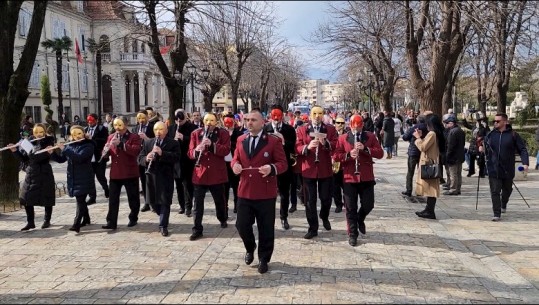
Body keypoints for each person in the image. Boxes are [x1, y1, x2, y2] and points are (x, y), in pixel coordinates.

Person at [231, 110, 288, 274]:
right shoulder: (241, 139)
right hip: (245, 191)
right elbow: (236, 158)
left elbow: (283, 163)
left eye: (253, 120)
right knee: (241, 225)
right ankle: (250, 247)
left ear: (263, 122)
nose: (249, 123)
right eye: (247, 119)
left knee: (265, 228)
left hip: (265, 192)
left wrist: (272, 168)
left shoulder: (272, 141)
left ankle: (264, 258)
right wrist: (234, 165)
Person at [333, 115, 383, 246]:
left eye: (359, 127)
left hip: (366, 176)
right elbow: (336, 156)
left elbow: (380, 153)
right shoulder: (343, 138)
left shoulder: (370, 136)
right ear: (350, 126)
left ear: (362, 126)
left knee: (368, 204)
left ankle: (360, 219)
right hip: (349, 177)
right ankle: (353, 234)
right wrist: (348, 155)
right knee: (350, 207)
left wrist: (366, 149)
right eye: (354, 127)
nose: (356, 129)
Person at [295, 105, 338, 239]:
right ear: (310, 114)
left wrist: (326, 143)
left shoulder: (330, 129)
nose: (317, 116)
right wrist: (306, 147)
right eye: (314, 113)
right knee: (310, 201)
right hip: (309, 169)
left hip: (325, 169)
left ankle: (324, 216)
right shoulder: (302, 129)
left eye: (320, 113)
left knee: (326, 198)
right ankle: (313, 228)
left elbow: (336, 144)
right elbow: (297, 146)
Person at [188, 113, 231, 241]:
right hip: (200, 174)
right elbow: (189, 153)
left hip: (216, 174)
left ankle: (222, 218)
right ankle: (197, 229)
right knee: (198, 204)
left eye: (211, 121)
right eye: (206, 121)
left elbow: (226, 150)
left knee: (219, 201)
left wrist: (212, 145)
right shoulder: (196, 134)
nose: (208, 124)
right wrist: (196, 150)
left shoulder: (223, 134)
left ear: (216, 122)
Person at [479, 113, 529, 221]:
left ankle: (504, 202)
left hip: (507, 169)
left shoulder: (513, 135)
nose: (495, 123)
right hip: (493, 168)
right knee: (495, 191)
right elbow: (484, 145)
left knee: (507, 190)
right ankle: (496, 213)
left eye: (498, 121)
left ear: (505, 122)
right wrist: (481, 147)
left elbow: (522, 149)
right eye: (494, 121)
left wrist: (525, 163)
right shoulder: (491, 134)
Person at [8, 123, 56, 231]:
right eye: (36, 132)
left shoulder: (49, 141)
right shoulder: (29, 141)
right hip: (31, 172)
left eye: (41, 132)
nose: (38, 134)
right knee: (26, 197)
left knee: (46, 196)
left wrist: (31, 151)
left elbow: (39, 157)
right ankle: (30, 222)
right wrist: (15, 151)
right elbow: (25, 159)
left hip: (44, 172)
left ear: (44, 131)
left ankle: (47, 220)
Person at [138, 122, 180, 236]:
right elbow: (140, 158)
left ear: (166, 131)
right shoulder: (148, 143)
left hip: (166, 177)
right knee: (153, 203)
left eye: (161, 129)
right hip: (151, 177)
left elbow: (176, 157)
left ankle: (163, 226)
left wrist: (162, 153)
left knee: (165, 202)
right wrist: (146, 158)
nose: (158, 132)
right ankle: (161, 215)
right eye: (156, 129)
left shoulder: (173, 143)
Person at [51, 125, 95, 233]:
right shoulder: (70, 146)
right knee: (80, 199)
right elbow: (61, 159)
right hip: (73, 177)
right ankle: (86, 218)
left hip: (84, 177)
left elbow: (79, 158)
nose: (77, 137)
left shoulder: (88, 146)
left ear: (83, 133)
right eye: (74, 134)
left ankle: (76, 224)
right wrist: (52, 153)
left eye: (79, 134)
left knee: (80, 200)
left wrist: (64, 149)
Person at [102, 116, 142, 230]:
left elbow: (135, 151)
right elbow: (107, 155)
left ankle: (133, 217)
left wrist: (121, 144)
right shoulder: (111, 137)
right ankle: (111, 222)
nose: (117, 128)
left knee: (133, 198)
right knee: (113, 199)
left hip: (130, 173)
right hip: (115, 173)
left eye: (119, 125)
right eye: (115, 125)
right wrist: (105, 151)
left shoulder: (134, 137)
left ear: (126, 124)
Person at [263, 105, 297, 230]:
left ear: (283, 115)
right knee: (268, 192)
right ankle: (268, 217)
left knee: (284, 193)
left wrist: (283, 141)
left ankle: (284, 217)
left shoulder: (289, 129)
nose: (276, 118)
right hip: (269, 165)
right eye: (274, 115)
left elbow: (293, 147)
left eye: (278, 115)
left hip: (284, 164)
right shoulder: (265, 128)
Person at [413, 113, 446, 220]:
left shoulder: (432, 134)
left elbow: (423, 147)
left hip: (429, 163)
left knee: (431, 188)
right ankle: (428, 209)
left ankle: (430, 210)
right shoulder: (434, 133)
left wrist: (418, 138)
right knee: (429, 187)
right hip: (430, 162)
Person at [167, 109, 199, 216]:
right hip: (175, 161)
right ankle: (182, 205)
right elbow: (167, 142)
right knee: (178, 185)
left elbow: (195, 142)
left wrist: (183, 137)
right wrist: (173, 140)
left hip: (187, 161)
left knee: (188, 185)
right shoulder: (171, 128)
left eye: (181, 118)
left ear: (186, 116)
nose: (179, 120)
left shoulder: (192, 128)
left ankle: (189, 206)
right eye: (177, 118)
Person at [132, 110, 155, 212]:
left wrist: (146, 138)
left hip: (151, 157)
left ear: (147, 117)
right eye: (139, 118)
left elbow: (157, 141)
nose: (141, 120)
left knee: (152, 181)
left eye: (143, 118)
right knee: (143, 180)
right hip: (140, 158)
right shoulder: (135, 128)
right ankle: (146, 202)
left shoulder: (153, 127)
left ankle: (154, 203)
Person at [85, 114, 110, 206]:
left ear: (96, 120)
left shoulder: (101, 129)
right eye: (88, 121)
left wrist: (93, 139)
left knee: (100, 176)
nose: (90, 122)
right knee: (90, 178)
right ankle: (92, 197)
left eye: (92, 120)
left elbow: (105, 140)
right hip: (88, 158)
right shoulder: (85, 130)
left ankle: (106, 189)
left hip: (99, 157)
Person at [223, 113, 244, 215]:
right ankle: (225, 207)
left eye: (230, 121)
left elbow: (240, 147)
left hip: (234, 163)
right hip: (223, 165)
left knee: (236, 187)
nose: (228, 123)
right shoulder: (221, 133)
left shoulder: (238, 133)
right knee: (224, 188)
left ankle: (237, 205)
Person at [400, 115, 427, 197]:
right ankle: (422, 190)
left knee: (410, 172)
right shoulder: (428, 128)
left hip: (413, 152)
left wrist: (410, 138)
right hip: (423, 152)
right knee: (422, 172)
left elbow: (405, 137)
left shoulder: (415, 127)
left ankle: (409, 190)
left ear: (418, 120)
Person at [442, 115, 465, 195]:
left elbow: (450, 145)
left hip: (453, 156)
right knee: (458, 173)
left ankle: (453, 189)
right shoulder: (460, 131)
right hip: (460, 155)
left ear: (452, 123)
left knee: (453, 173)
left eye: (448, 123)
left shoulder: (452, 132)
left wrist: (448, 156)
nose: (447, 125)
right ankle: (458, 188)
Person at [332, 116, 347, 213]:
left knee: (346, 186)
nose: (340, 125)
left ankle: (347, 202)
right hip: (335, 163)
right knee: (335, 186)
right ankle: (338, 204)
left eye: (342, 123)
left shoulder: (348, 135)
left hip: (345, 163)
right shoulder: (332, 135)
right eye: (338, 123)